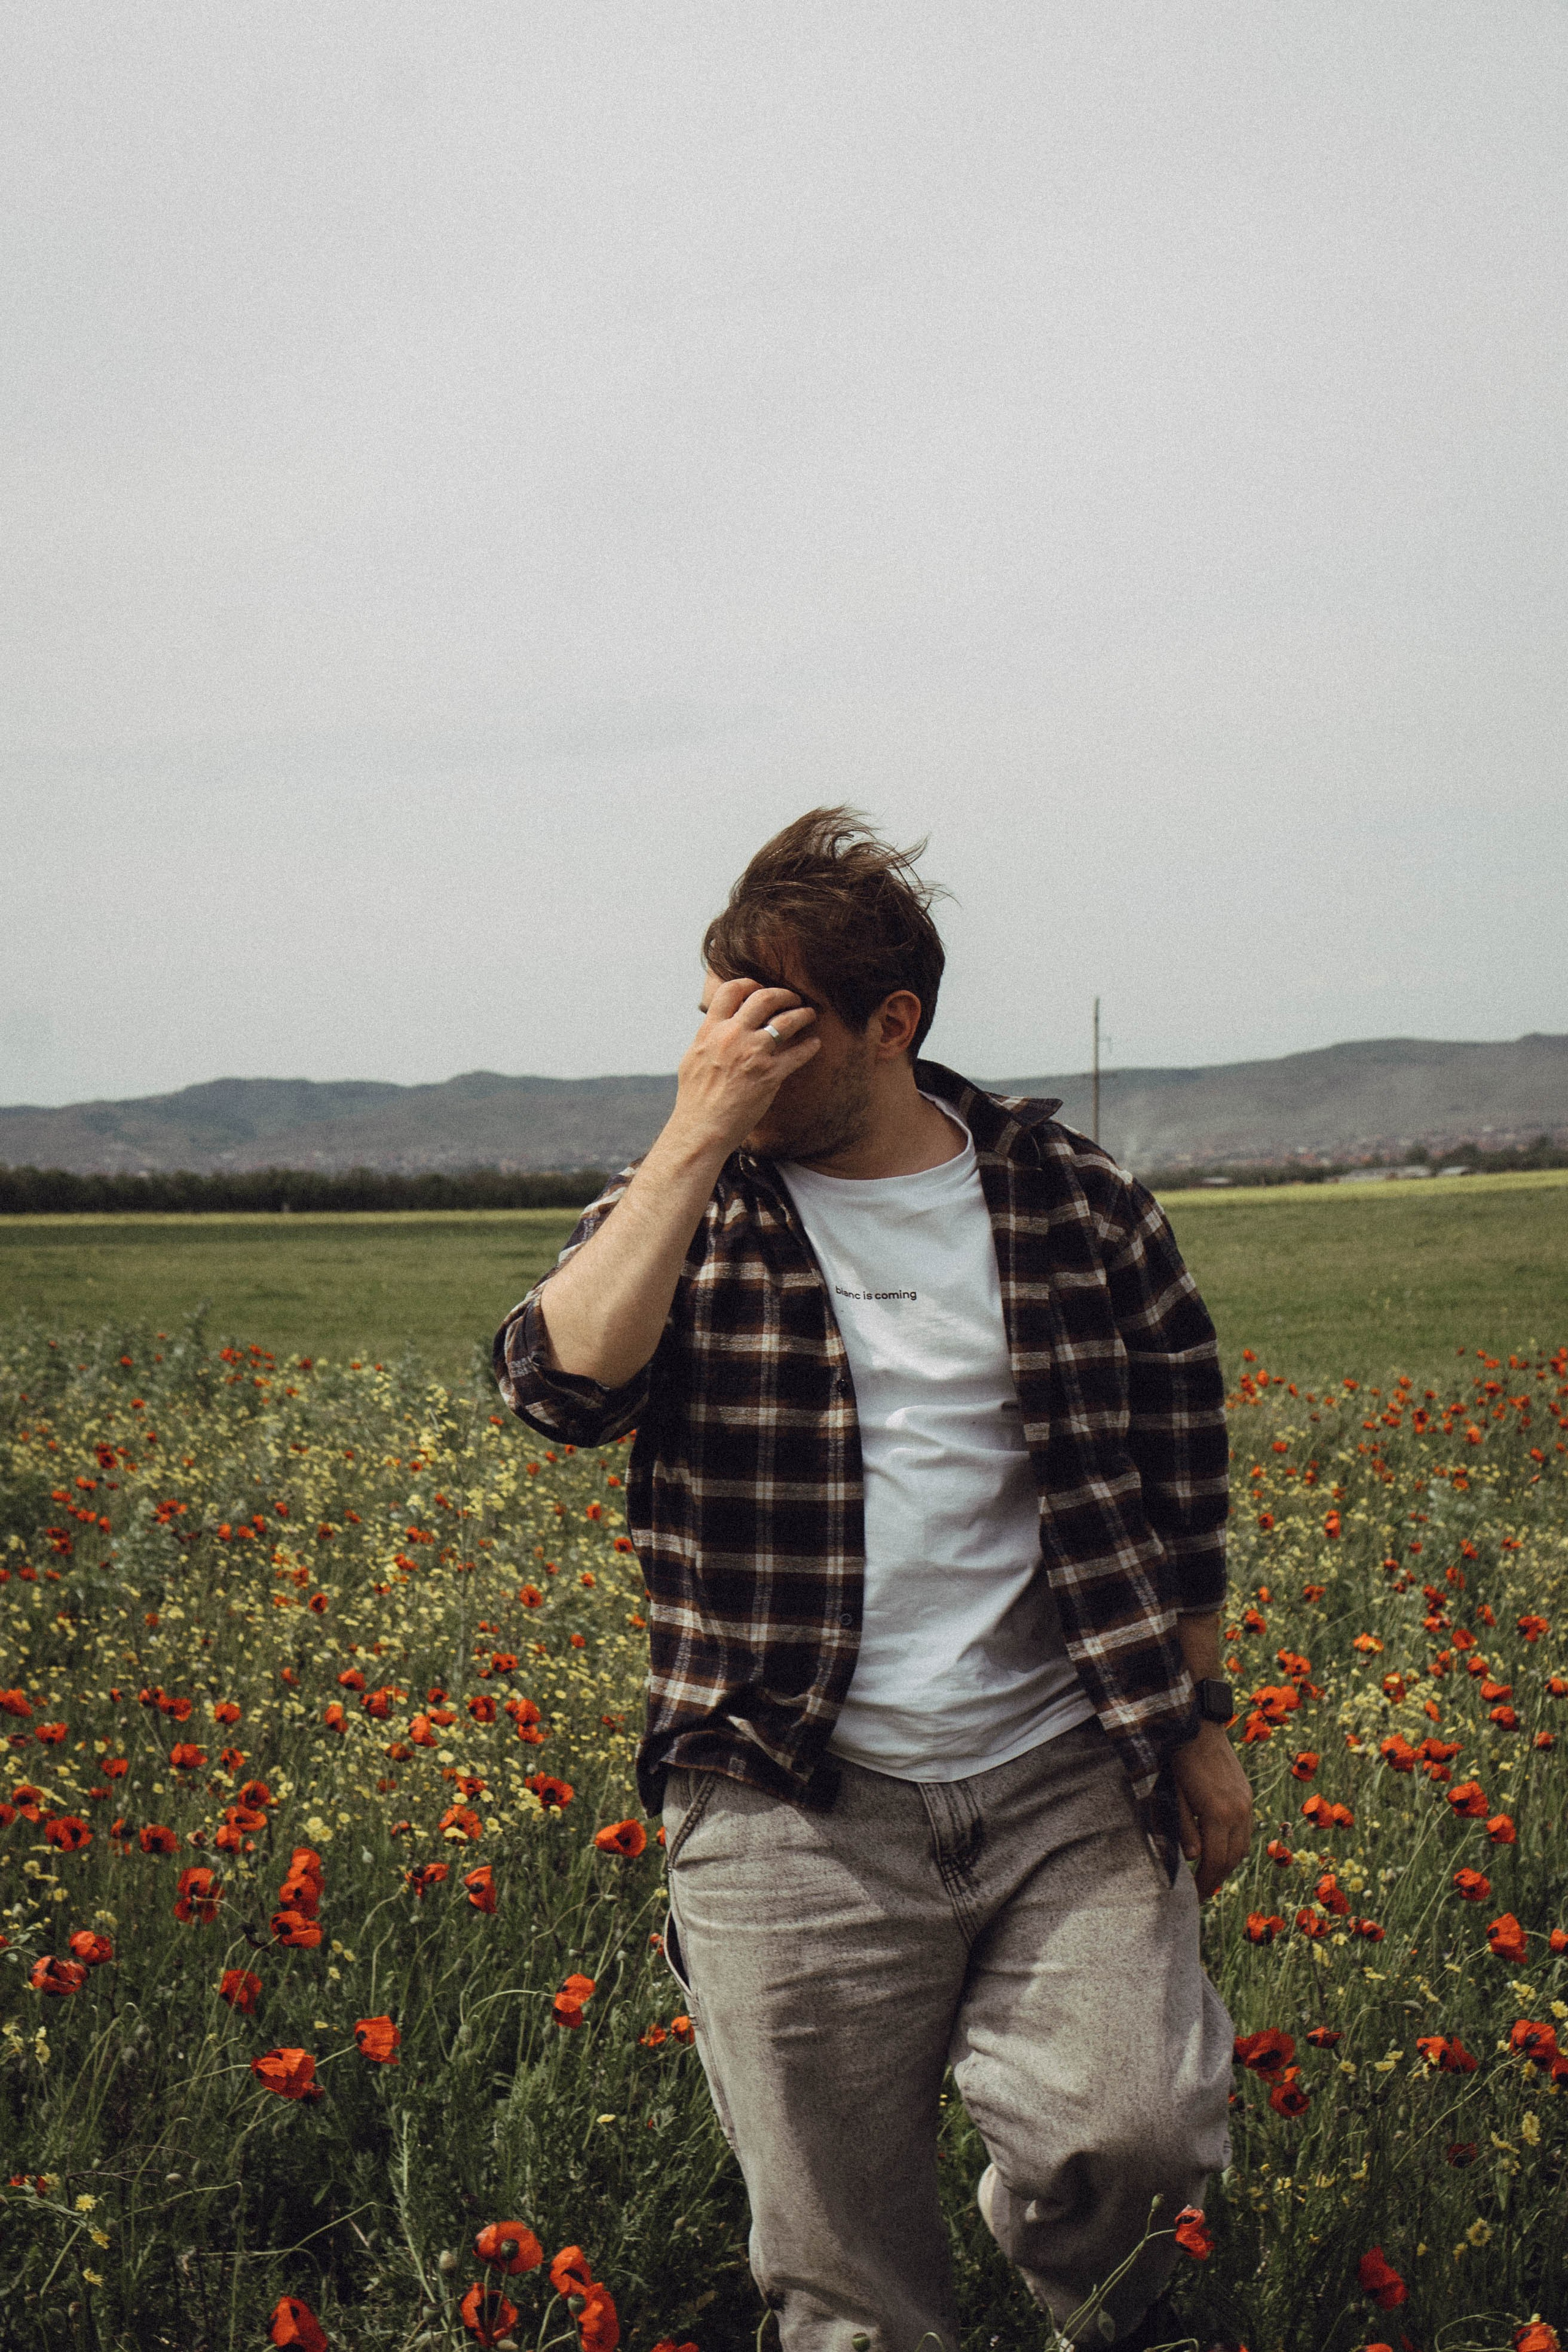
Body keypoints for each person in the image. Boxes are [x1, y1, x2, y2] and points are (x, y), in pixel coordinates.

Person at [494, 809, 1253, 2352]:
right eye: (715, 1016)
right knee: (842, 2284)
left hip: (1060, 1773)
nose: (731, 1053)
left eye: (773, 1025)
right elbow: (556, 1393)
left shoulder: (1071, 1200)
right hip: (786, 1791)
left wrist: (1198, 1716)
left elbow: (1179, 1463)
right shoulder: (685, 1209)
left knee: (1142, 2144)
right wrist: (693, 1136)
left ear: (889, 1025)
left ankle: (1052, 2251)